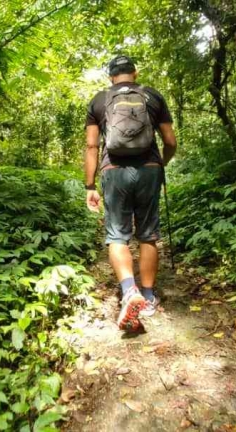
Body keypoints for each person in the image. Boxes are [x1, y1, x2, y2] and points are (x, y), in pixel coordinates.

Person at [83, 55, 178, 332]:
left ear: (111, 76)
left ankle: (128, 290)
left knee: (117, 234)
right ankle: (147, 297)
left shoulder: (99, 100)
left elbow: (91, 147)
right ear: (134, 73)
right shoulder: (152, 97)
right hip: (149, 168)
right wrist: (160, 162)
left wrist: (90, 186)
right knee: (148, 233)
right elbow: (170, 141)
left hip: (113, 171)